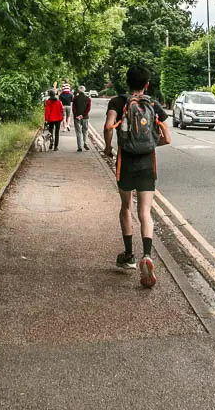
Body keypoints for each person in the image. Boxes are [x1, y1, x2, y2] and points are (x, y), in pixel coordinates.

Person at [104, 65, 169, 288]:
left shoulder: (118, 102)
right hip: (147, 163)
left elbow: (108, 126)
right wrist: (152, 145)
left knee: (125, 208)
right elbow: (164, 130)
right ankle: (148, 255)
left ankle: (129, 256)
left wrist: (107, 148)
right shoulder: (152, 104)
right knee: (145, 212)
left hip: (126, 163)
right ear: (146, 84)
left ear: (127, 82)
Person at [72, 85, 91, 152]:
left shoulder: (75, 98)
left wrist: (77, 115)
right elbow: (88, 109)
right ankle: (85, 142)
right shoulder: (88, 98)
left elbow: (73, 108)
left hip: (76, 118)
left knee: (78, 132)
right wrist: (82, 115)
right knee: (85, 131)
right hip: (85, 117)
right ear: (84, 90)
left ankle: (79, 147)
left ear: (78, 90)